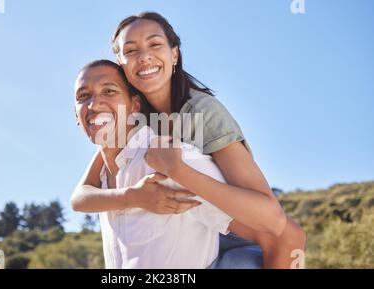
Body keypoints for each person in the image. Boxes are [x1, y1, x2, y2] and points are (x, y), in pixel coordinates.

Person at [73, 12, 306, 269]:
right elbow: (81, 195)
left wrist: (177, 170)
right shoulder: (130, 120)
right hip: (190, 228)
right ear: (121, 62)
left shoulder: (202, 113)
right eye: (130, 50)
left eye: (155, 44)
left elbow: (281, 229)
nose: (144, 56)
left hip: (233, 226)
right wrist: (134, 197)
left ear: (175, 54)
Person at [75, 60, 238, 268]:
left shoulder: (178, 161)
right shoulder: (104, 176)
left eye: (109, 91)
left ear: (135, 106)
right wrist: (132, 197)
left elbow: (267, 232)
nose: (93, 104)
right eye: (83, 96)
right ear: (76, 116)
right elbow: (78, 200)